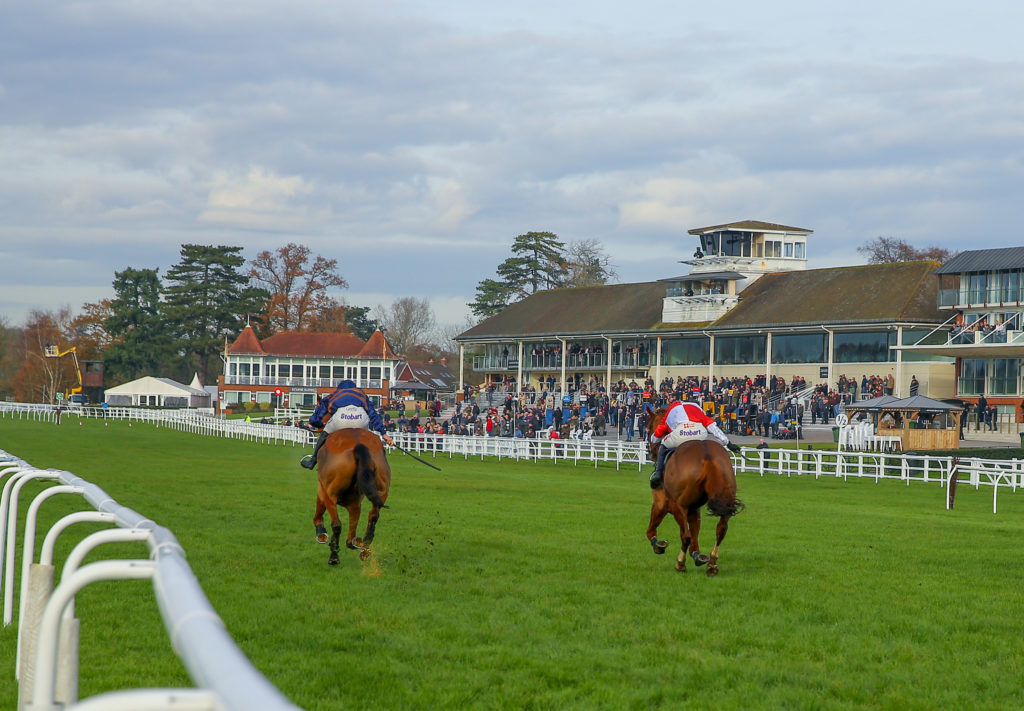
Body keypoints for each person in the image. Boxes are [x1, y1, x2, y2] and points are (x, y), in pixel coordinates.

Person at [300, 379, 394, 469]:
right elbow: (373, 414)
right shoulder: (361, 394)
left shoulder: (333, 395)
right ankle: (381, 464)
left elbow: (315, 418)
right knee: (370, 438)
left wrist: (319, 425)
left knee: (324, 433)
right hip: (361, 419)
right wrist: (383, 434)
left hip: (341, 419)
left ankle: (312, 461)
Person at [648, 397, 741, 489]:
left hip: (681, 433)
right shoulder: (696, 408)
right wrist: (728, 443)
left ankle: (658, 473)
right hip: (700, 433)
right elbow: (713, 428)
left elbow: (657, 435)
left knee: (663, 444)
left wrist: (654, 439)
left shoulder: (671, 411)